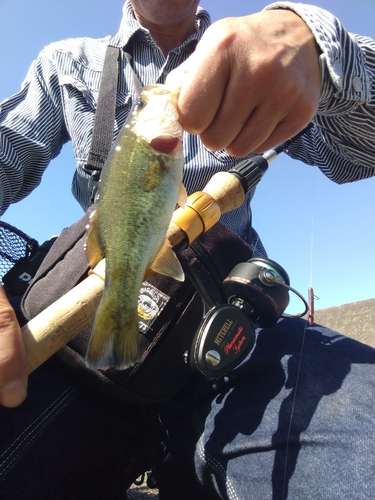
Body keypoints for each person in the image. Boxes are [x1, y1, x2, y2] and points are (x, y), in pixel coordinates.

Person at [0, 1, 374, 498]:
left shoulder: (260, 58)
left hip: (233, 332)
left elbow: (360, 156)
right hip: (78, 341)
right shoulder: (64, 63)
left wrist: (320, 50)